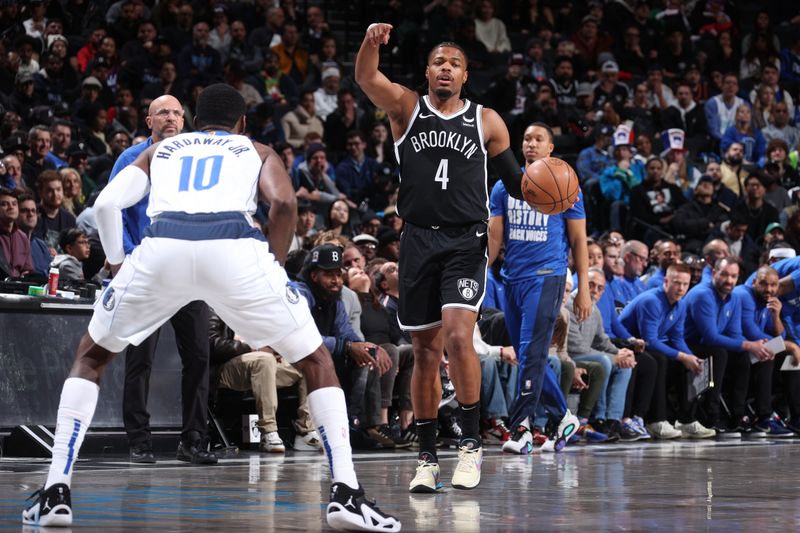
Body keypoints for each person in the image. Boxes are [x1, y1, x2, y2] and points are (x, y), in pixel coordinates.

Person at [21, 84, 399, 532]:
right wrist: (273, 269)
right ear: (241, 123)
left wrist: (120, 264)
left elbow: (105, 203)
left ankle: (56, 490)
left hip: (163, 248)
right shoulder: (254, 148)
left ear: (195, 121)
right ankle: (346, 494)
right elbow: (283, 203)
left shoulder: (160, 149)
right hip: (234, 251)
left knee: (91, 355)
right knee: (316, 359)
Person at [355, 24, 532, 492]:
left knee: (458, 336)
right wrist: (371, 44)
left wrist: (545, 185)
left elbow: (516, 183)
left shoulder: (487, 120)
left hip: (465, 242)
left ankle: (471, 446)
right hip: (417, 240)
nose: (446, 68)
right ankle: (428, 457)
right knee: (425, 352)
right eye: (439, 62)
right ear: (427, 71)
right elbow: (367, 79)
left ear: (466, 75)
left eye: (454, 63)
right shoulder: (406, 107)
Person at [107, 95, 215, 466]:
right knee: (141, 360)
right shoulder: (130, 159)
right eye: (163, 112)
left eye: (177, 113)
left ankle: (194, 441)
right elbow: (113, 208)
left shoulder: (196, 159)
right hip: (146, 271)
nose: (170, 118)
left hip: (190, 272)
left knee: (200, 357)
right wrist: (119, 259)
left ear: (185, 121)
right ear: (148, 119)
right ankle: (139, 441)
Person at [488, 122, 589, 455]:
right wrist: (478, 275)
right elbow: (494, 238)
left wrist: (584, 287)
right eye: (527, 138)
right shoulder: (504, 186)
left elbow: (578, 240)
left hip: (548, 276)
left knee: (532, 352)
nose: (531, 143)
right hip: (512, 279)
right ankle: (563, 417)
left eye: (538, 139)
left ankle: (522, 428)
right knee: (527, 356)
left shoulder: (566, 186)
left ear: (550, 149)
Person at [619, 263, 710, 439]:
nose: (681, 288)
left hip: (648, 347)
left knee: (696, 364)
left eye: (685, 284)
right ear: (666, 281)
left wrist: (691, 357)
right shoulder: (651, 300)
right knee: (660, 360)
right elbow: (649, 340)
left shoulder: (680, 304)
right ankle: (656, 420)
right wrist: (683, 356)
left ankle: (687, 420)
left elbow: (677, 338)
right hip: (628, 345)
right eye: (677, 283)